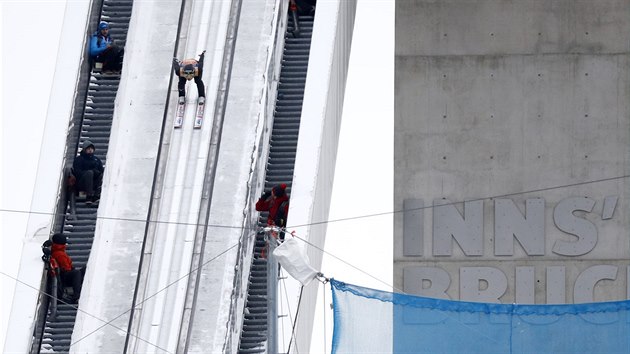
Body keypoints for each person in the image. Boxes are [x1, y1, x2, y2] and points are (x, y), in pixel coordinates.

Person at [50, 233, 85, 303]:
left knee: (83, 270)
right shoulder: (59, 254)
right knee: (77, 273)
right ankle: (76, 295)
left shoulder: (58, 251)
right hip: (64, 278)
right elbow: (66, 268)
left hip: (64, 275)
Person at [72, 140, 104, 205]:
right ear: (84, 149)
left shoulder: (96, 160)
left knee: (101, 175)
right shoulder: (79, 159)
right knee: (89, 173)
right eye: (88, 148)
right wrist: (90, 172)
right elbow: (77, 172)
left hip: (94, 183)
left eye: (92, 149)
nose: (90, 150)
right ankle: (89, 196)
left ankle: (96, 196)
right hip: (82, 183)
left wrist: (96, 172)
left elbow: (102, 170)